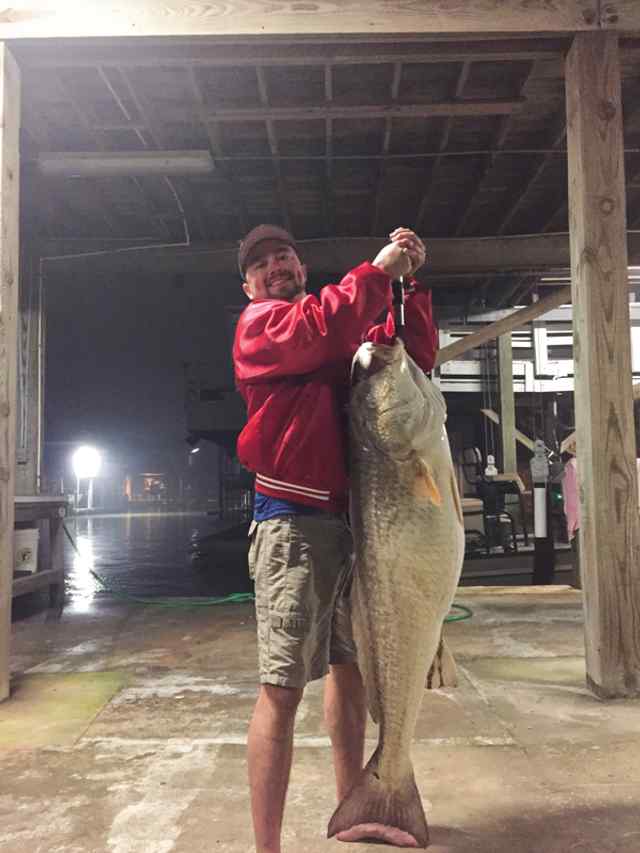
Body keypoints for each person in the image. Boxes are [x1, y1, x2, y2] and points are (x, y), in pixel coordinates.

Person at [232, 223, 438, 853]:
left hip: (356, 524)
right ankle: (267, 845)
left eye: (286, 255)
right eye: (262, 264)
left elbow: (411, 355)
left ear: (301, 264)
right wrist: (376, 269)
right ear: (249, 287)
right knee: (284, 685)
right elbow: (324, 325)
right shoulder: (264, 328)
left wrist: (406, 287)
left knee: (350, 672)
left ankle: (359, 807)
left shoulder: (331, 334)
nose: (277, 266)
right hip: (291, 523)